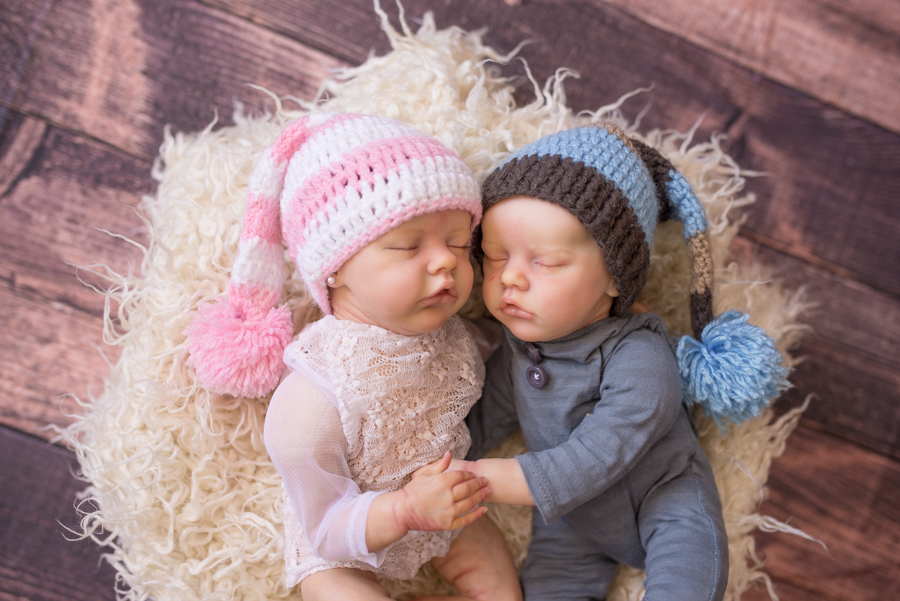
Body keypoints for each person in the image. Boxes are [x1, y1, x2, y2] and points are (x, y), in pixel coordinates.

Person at [184, 113, 521, 601]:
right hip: (342, 538)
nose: (446, 260)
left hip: (438, 503)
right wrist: (404, 509)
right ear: (335, 268)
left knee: (500, 583)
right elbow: (324, 526)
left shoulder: (455, 339)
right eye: (408, 245)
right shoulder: (317, 393)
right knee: (337, 588)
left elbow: (507, 347)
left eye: (458, 243)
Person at [460, 123, 790, 601]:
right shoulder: (519, 352)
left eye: (545, 262)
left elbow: (601, 451)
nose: (510, 277)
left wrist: (492, 479)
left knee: (689, 575)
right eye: (494, 257)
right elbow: (480, 419)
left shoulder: (639, 355)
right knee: (548, 588)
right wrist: (430, 463)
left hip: (664, 501)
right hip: (575, 517)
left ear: (615, 277)